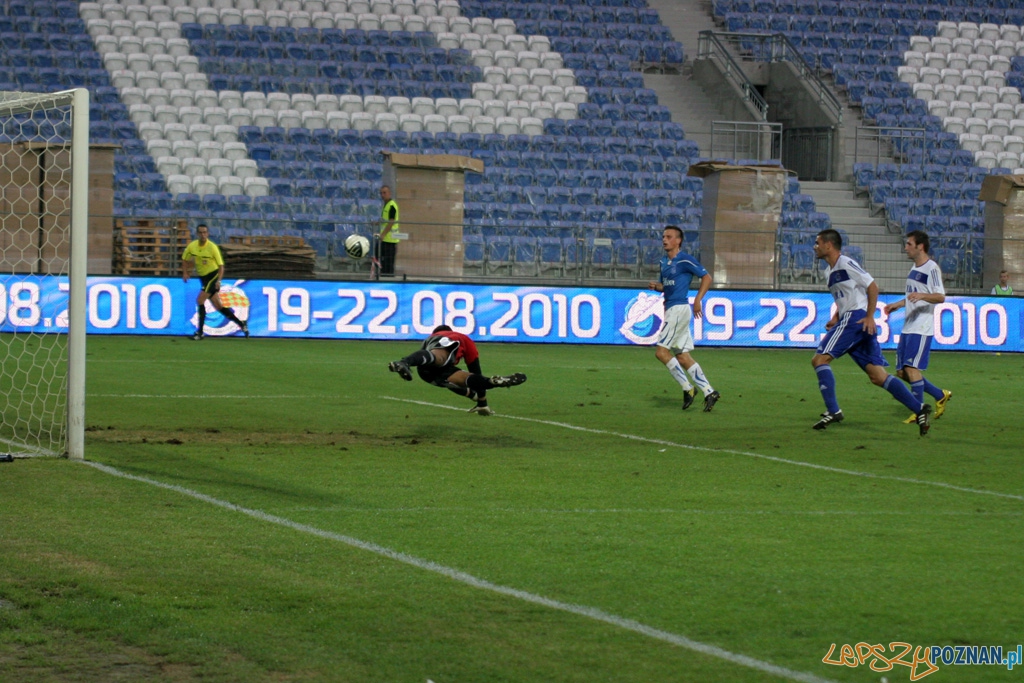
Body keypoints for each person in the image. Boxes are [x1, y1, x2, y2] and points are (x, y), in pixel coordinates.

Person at [810, 229, 931, 435]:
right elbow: (846, 298)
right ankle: (919, 409)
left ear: (829, 245)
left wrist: (869, 316)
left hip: (856, 320)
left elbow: (872, 286)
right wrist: (835, 318)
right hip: (852, 319)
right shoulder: (828, 272)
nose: (815, 246)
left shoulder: (845, 263)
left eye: (817, 242)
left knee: (819, 360)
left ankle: (833, 411)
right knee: (878, 376)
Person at [648, 225, 720, 412]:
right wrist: (658, 287)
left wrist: (698, 300)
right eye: (663, 236)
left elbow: (707, 278)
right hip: (671, 309)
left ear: (678, 240)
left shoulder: (684, 259)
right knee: (682, 356)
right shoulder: (664, 262)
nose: (664, 239)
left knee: (661, 353)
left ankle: (688, 388)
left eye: (669, 236)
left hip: (679, 309)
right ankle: (709, 391)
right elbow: (667, 286)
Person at [882, 231, 953, 424]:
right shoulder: (914, 268)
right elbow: (913, 295)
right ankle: (940, 395)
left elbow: (940, 296)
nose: (905, 248)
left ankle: (919, 410)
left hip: (921, 326)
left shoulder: (931, 269)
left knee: (911, 369)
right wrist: (898, 304)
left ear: (920, 246)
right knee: (901, 372)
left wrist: (922, 296)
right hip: (908, 325)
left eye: (909, 244)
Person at [388, 325, 527, 415]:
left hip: (426, 373)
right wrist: (482, 400)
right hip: (439, 370)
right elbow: (476, 373)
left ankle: (404, 362)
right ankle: (492, 381)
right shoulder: (463, 339)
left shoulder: (435, 337)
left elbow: (425, 357)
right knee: (465, 378)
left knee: (440, 364)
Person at [181, 223, 248, 340]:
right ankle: (242, 324)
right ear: (197, 234)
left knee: (200, 300)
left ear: (208, 234)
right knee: (218, 306)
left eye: (204, 232)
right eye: (200, 232)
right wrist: (185, 272)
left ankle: (200, 332)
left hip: (212, 276)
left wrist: (218, 281)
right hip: (203, 278)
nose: (203, 235)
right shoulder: (192, 246)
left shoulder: (212, 247)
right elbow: (184, 259)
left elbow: (221, 266)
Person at [377, 184, 400, 277]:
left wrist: (382, 234)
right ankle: (383, 276)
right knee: (383, 261)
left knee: (389, 262)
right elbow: (385, 221)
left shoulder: (392, 205)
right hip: (385, 239)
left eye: (384, 193)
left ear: (389, 193)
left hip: (390, 239)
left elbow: (391, 222)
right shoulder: (385, 205)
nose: (382, 195)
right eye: (381, 193)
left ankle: (388, 279)